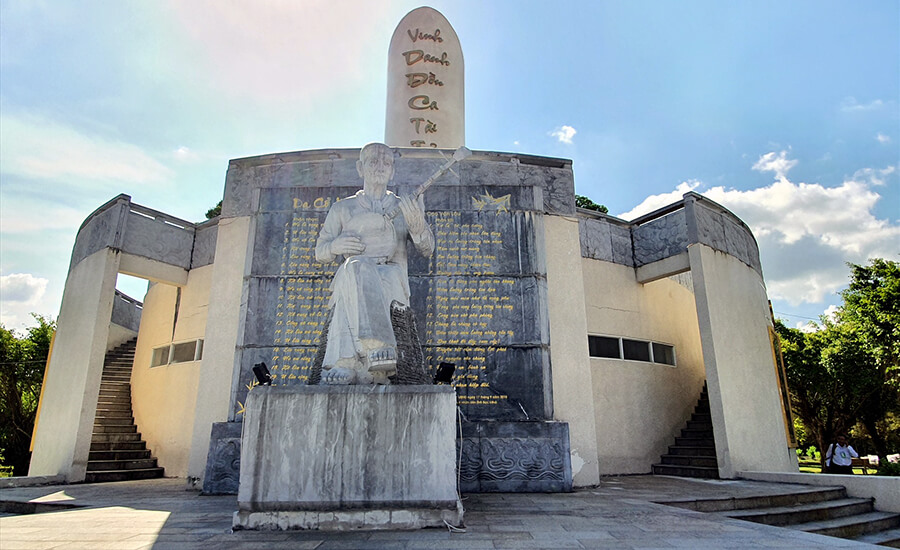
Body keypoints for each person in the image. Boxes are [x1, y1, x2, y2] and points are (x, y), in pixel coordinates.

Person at [315, 142, 434, 384]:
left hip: (390, 275)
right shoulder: (342, 208)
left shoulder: (404, 205)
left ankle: (346, 362)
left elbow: (427, 249)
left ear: (392, 171)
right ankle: (377, 350)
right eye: (373, 161)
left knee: (359, 270)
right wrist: (336, 246)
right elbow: (321, 252)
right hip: (352, 275)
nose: (380, 167)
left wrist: (418, 225)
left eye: (387, 163)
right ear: (360, 168)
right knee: (355, 268)